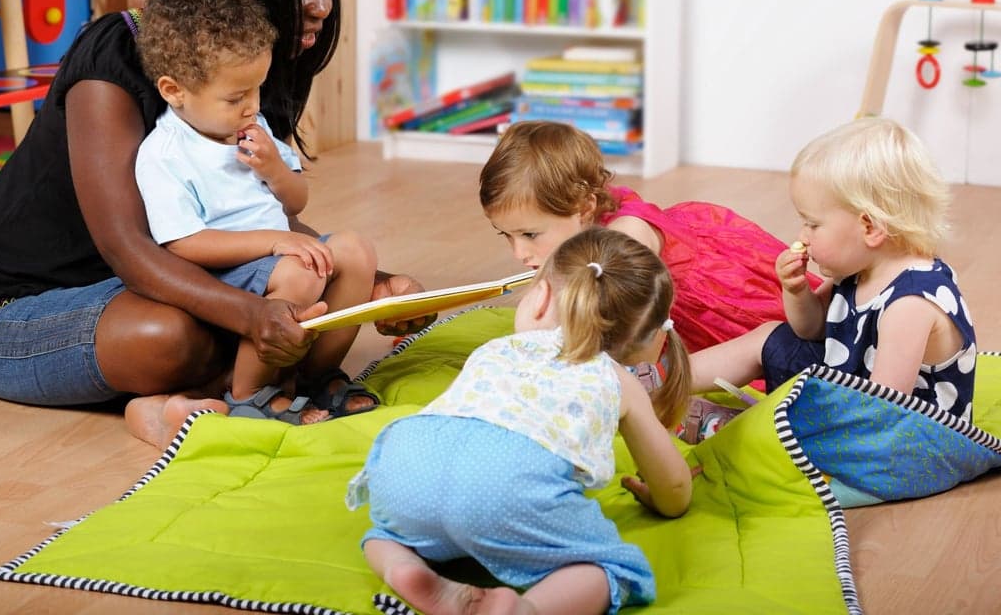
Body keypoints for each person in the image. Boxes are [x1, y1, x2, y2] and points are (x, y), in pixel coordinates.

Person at [0, 0, 427, 439]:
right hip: (7, 311)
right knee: (177, 334)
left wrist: (372, 288)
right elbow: (128, 245)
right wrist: (252, 314)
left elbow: (248, 214)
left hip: (142, 286)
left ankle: (194, 401)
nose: (322, 6)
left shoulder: (246, 72)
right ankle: (217, 393)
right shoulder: (114, 53)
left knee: (288, 293)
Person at [347, 227, 694, 615]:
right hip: (507, 485)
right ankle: (526, 609)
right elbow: (675, 491)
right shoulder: (617, 379)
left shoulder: (494, 349)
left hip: (407, 464)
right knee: (614, 570)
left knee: (383, 535)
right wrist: (660, 497)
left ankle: (402, 567)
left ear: (540, 298)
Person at [134, 0, 379, 425]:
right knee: (302, 274)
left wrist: (274, 170)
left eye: (257, 89)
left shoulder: (254, 127)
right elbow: (182, 244)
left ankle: (318, 375)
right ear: (174, 91)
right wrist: (275, 241)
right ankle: (250, 395)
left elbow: (295, 202)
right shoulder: (165, 154)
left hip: (277, 259)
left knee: (355, 251)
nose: (253, 105)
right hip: (227, 274)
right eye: (236, 97)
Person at [478, 120, 818, 433]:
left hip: (699, 298)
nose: (518, 252)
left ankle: (696, 410)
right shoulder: (577, 220)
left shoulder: (626, 240)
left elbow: (630, 316)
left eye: (530, 235)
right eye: (506, 235)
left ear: (584, 208)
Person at [690, 117, 977, 421]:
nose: (803, 236)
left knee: (799, 406)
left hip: (907, 431)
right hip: (853, 393)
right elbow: (811, 329)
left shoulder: (910, 303)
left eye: (812, 224)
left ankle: (742, 423)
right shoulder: (861, 269)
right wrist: (796, 290)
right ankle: (667, 381)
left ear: (870, 227)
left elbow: (881, 413)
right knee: (770, 337)